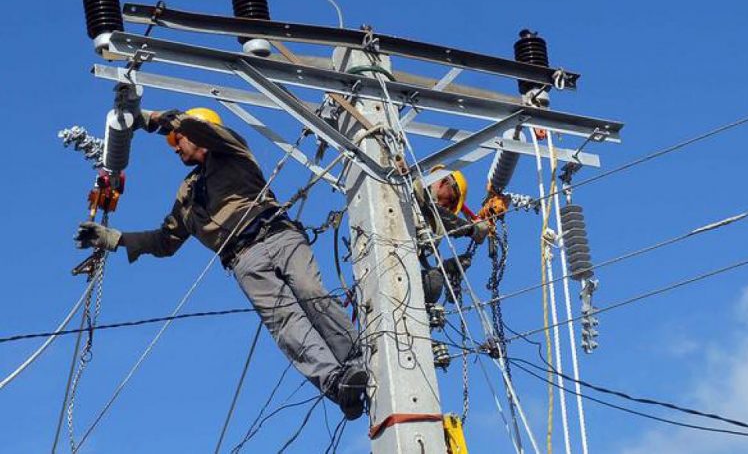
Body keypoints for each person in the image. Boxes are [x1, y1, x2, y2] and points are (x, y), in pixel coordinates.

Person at [75, 107, 367, 419]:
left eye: (177, 139)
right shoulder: (187, 194)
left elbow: (195, 129)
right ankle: (338, 385)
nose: (174, 146)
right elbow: (165, 241)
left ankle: (354, 362)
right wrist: (114, 239)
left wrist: (148, 119)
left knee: (310, 293)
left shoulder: (231, 150)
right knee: (286, 324)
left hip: (277, 236)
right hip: (243, 260)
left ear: (196, 131)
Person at [412, 168, 489, 305]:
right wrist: (471, 230)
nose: (448, 207)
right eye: (451, 200)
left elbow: (419, 257)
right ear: (445, 181)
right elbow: (440, 213)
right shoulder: (411, 187)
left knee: (433, 282)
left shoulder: (426, 223)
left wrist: (446, 268)